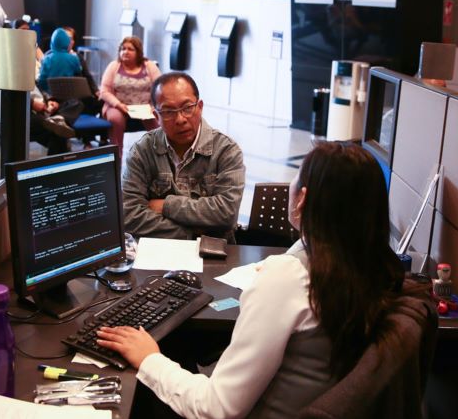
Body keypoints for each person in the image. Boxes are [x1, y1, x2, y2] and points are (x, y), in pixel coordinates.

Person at [100, 143, 436, 418]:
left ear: (302, 199)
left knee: (139, 393)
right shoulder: (380, 269)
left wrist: (148, 358)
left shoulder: (289, 279)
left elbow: (217, 408)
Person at [122, 73, 244, 243]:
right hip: (156, 253)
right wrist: (193, 233)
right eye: (168, 112)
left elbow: (226, 213)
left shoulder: (226, 150)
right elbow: (129, 215)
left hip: (212, 256)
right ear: (156, 116)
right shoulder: (142, 151)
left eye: (187, 108)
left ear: (199, 107)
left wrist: (166, 205)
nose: (180, 119)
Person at [100, 36, 161, 149]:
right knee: (115, 120)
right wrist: (118, 104)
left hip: (145, 108)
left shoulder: (149, 66)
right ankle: (116, 159)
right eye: (123, 49)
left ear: (138, 52)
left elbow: (160, 88)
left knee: (158, 121)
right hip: (118, 106)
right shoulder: (114, 66)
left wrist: (154, 106)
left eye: (130, 49)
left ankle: (161, 155)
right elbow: (104, 91)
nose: (125, 52)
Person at [36, 28, 83, 94]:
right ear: (67, 41)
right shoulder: (74, 58)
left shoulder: (46, 59)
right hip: (69, 95)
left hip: (51, 95)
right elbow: (79, 75)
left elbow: (42, 81)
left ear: (52, 42)